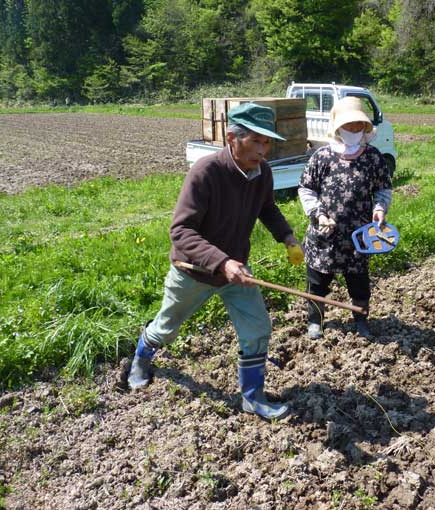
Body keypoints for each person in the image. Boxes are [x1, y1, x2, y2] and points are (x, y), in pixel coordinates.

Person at [126, 102, 304, 421]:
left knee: (258, 328)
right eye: (255, 141)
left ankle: (252, 396)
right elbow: (180, 231)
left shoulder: (262, 172)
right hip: (193, 271)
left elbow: (267, 209)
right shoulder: (206, 173)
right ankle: (141, 356)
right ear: (232, 138)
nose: (263, 150)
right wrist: (221, 262)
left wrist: (287, 238)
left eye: (267, 142)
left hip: (235, 272)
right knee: (166, 329)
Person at [298, 96, 392, 339]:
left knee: (358, 281)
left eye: (358, 126)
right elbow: (306, 189)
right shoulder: (322, 157)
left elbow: (383, 189)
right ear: (337, 127)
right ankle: (315, 321)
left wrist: (380, 209)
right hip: (325, 234)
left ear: (365, 128)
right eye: (348, 125)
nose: (353, 130)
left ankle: (361, 319)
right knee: (318, 280)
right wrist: (318, 214)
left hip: (359, 235)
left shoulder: (373, 157)